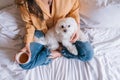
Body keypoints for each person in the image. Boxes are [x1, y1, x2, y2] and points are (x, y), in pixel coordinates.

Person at [16, 0, 94, 69]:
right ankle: (50, 53)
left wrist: (76, 28)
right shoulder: (24, 2)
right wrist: (28, 43)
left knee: (88, 55)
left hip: (66, 29)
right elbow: (29, 24)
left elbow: (73, 11)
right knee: (25, 64)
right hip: (41, 32)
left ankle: (60, 51)